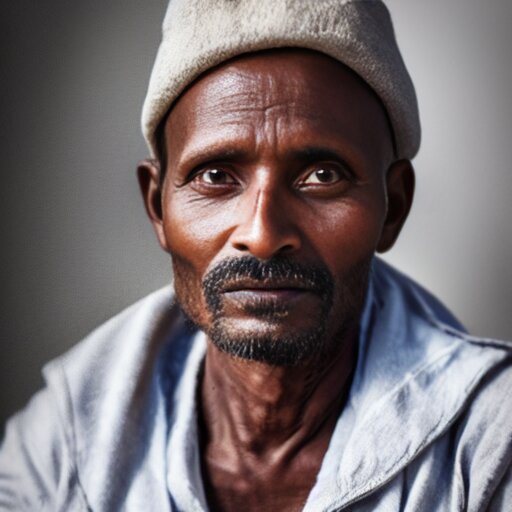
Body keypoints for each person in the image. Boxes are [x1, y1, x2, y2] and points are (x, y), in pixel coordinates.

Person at [1, 0, 511, 510]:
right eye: (216, 176)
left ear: (393, 207)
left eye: (323, 176)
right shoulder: (66, 438)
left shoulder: (490, 441)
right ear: (157, 205)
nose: (262, 234)